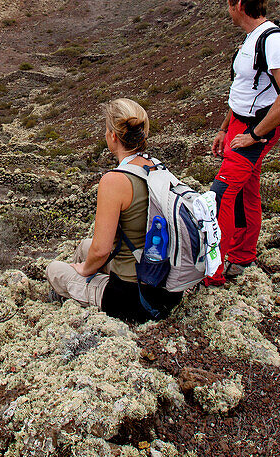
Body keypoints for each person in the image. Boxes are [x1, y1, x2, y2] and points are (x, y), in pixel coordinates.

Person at [46, 98, 182, 322]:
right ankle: (87, 286)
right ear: (143, 133)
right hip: (164, 282)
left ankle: (78, 303)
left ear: (113, 136)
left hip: (134, 297)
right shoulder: (156, 167)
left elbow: (101, 250)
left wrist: (85, 270)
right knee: (84, 247)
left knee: (55, 269)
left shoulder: (115, 181)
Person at [205, 0, 280, 286]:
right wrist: (224, 128)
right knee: (247, 193)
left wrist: (256, 134)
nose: (227, 10)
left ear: (239, 5)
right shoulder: (251, 38)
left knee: (219, 197)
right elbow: (244, 90)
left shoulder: (273, 40)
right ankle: (242, 256)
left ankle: (213, 272)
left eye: (228, 4)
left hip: (254, 130)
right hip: (239, 126)